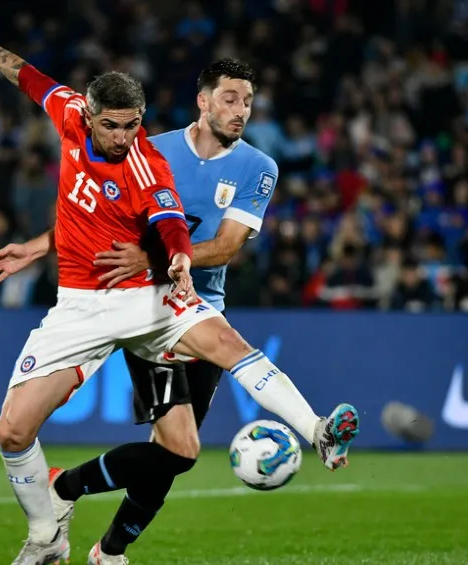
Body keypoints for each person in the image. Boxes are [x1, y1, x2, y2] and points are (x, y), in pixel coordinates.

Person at [0, 8, 359, 565]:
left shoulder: (154, 162)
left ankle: (317, 430)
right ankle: (47, 533)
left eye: (131, 126)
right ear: (89, 115)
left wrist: (176, 260)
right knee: (12, 432)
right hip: (82, 304)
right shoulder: (73, 115)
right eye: (112, 126)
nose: (123, 138)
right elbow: (29, 77)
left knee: (205, 397)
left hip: (151, 293)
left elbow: (170, 222)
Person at [48, 58, 329, 564]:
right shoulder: (149, 151)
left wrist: (152, 255)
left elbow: (225, 249)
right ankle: (71, 499)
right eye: (229, 98)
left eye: (247, 101)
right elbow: (101, 217)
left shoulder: (258, 168)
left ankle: (103, 542)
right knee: (177, 448)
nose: (240, 110)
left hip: (203, 310)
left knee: (176, 454)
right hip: (147, 310)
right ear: (203, 101)